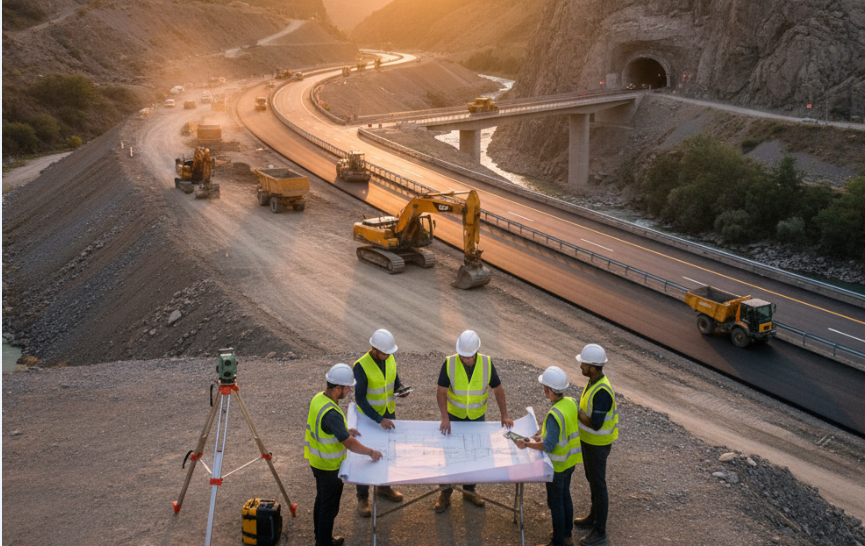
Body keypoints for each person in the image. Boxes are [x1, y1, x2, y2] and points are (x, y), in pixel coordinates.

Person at [434, 330, 514, 512]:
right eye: (463, 356)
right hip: (455, 417)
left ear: (477, 352)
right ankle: (445, 493)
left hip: (477, 417)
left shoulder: (486, 363)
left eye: (469, 357)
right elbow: (441, 392)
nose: (466, 360)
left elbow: (498, 389)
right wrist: (445, 417)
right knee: (451, 454)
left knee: (473, 454)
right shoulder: (449, 363)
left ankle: (469, 491)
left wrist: (504, 415)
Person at [304, 364, 383, 546]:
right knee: (329, 508)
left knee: (321, 501)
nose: (349, 391)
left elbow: (326, 427)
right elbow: (348, 442)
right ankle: (324, 543)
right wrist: (370, 452)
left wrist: (343, 429)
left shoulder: (319, 398)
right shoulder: (331, 413)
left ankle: (321, 538)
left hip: (317, 462)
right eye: (348, 388)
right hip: (329, 467)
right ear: (338, 387)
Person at [514, 366, 581, 546]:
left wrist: (526, 444)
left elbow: (549, 446)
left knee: (556, 503)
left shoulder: (554, 414)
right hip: (570, 462)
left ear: (548, 390)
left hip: (557, 467)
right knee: (565, 497)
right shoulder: (571, 402)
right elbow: (562, 432)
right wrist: (542, 436)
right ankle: (567, 535)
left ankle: (558, 541)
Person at [352, 329, 408, 516]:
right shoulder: (360, 366)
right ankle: (362, 498)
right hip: (368, 419)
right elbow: (360, 398)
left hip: (388, 414)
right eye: (385, 353)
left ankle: (384, 487)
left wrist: (400, 389)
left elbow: (394, 379)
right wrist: (378, 419)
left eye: (390, 353)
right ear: (374, 349)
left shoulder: (389, 358)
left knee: (388, 451)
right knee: (364, 456)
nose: (388, 356)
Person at [573, 344, 618, 546]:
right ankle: (593, 517)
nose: (581, 365)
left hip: (598, 444)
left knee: (599, 485)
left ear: (593, 367)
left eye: (584, 363)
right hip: (589, 442)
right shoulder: (593, 382)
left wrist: (576, 413)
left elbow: (596, 424)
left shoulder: (602, 392)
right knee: (592, 480)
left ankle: (600, 532)